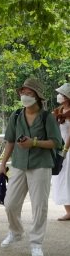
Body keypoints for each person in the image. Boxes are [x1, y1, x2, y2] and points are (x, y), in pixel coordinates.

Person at [0, 78, 63, 256]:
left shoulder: (47, 117)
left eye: (29, 93)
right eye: (23, 92)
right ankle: (15, 232)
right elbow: (10, 141)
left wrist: (33, 142)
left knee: (39, 206)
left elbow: (56, 143)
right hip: (18, 164)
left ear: (37, 97)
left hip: (41, 165)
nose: (25, 96)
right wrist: (3, 164)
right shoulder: (16, 115)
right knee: (10, 203)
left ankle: (36, 243)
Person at [51, 83, 70, 221]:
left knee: (66, 179)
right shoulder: (58, 111)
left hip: (67, 150)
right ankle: (68, 209)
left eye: (62, 94)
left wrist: (65, 149)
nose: (59, 96)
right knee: (60, 178)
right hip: (60, 148)